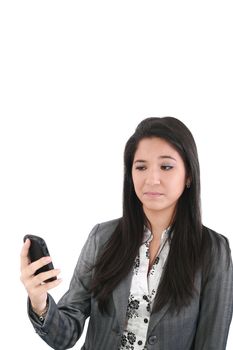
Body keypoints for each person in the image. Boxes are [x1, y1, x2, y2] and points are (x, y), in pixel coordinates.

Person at [20, 117, 233, 350]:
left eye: (166, 166)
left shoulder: (213, 250)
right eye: (141, 167)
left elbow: (211, 343)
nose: (152, 179)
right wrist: (40, 302)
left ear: (189, 175)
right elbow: (65, 335)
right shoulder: (103, 237)